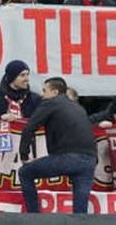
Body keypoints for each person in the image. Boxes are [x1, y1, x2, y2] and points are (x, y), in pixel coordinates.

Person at [18, 77, 98, 214]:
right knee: (80, 213)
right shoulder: (78, 107)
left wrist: (24, 156)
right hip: (90, 160)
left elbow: (29, 128)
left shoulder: (51, 103)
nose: (42, 95)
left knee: (24, 173)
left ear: (55, 92)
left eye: (44, 91)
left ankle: (34, 218)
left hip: (69, 157)